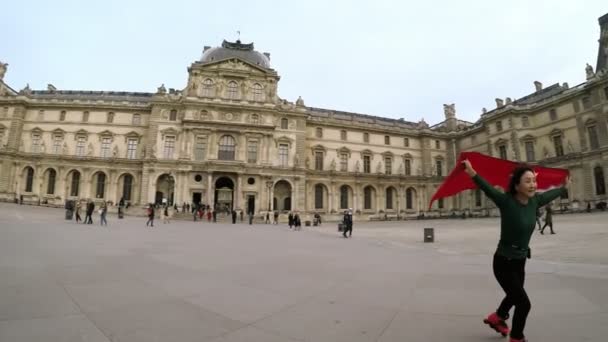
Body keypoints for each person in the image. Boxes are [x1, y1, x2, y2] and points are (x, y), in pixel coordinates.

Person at [463, 159, 568, 342]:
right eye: (527, 181)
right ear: (517, 185)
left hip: (520, 260)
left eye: (534, 181)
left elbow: (551, 194)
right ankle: (517, 338)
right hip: (503, 262)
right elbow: (487, 188)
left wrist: (564, 187)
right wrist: (472, 171)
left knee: (514, 295)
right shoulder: (506, 202)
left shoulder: (535, 201)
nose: (533, 185)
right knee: (523, 303)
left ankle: (498, 317)